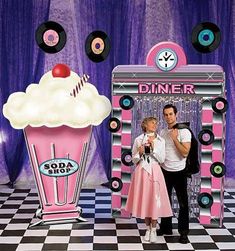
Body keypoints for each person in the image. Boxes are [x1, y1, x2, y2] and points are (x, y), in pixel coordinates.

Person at [125, 117, 173, 243]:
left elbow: (162, 159)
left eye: (156, 123)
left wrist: (154, 147)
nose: (154, 125)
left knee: (154, 199)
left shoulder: (160, 140)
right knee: (145, 199)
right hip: (141, 171)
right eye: (152, 122)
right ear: (145, 125)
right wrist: (139, 153)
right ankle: (147, 228)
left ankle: (153, 229)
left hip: (155, 171)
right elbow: (134, 160)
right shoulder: (138, 140)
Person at [159, 104, 191, 244]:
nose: (168, 117)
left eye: (171, 114)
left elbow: (184, 153)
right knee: (165, 202)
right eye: (166, 114)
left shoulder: (184, 131)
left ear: (176, 114)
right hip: (165, 171)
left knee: (183, 203)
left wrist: (174, 138)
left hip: (179, 171)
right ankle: (166, 227)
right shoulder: (162, 132)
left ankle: (183, 232)